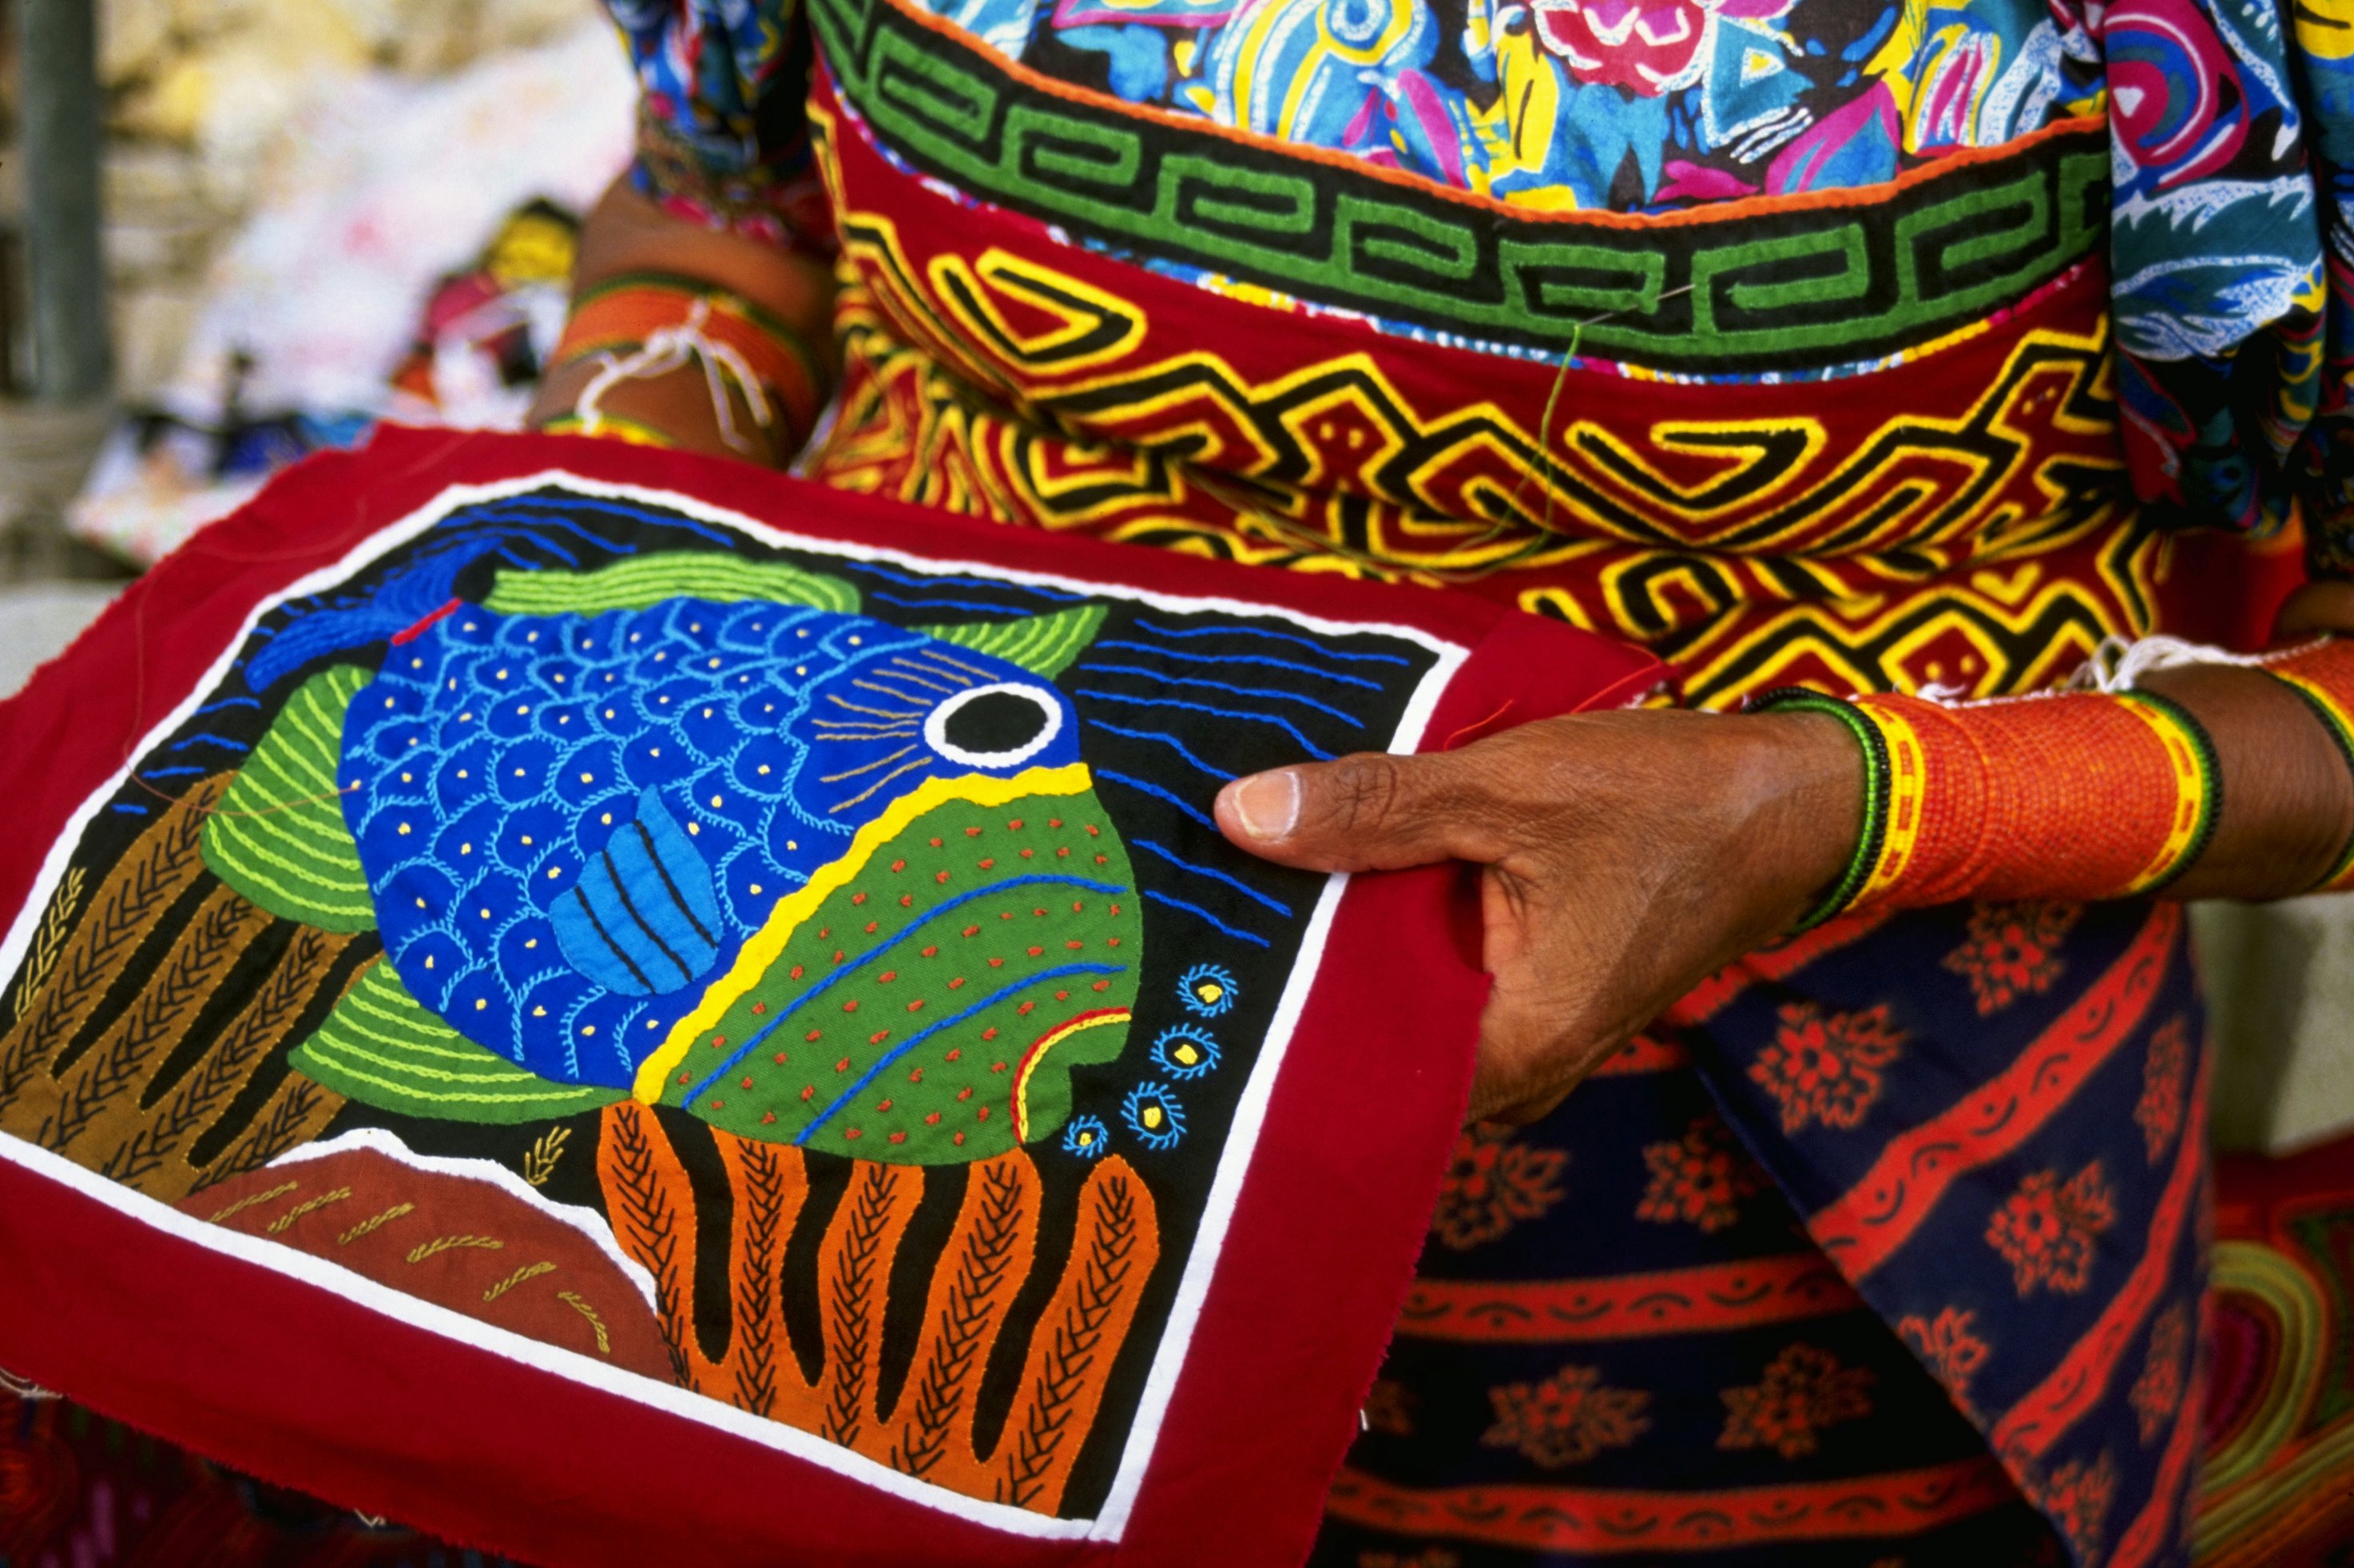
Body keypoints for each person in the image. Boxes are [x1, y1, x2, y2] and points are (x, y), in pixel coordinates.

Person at [526, 0, 2354, 1558]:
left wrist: (1842, 805)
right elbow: (722, 206)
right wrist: (621, 570)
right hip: (882, 1073)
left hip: (1758, 1243)